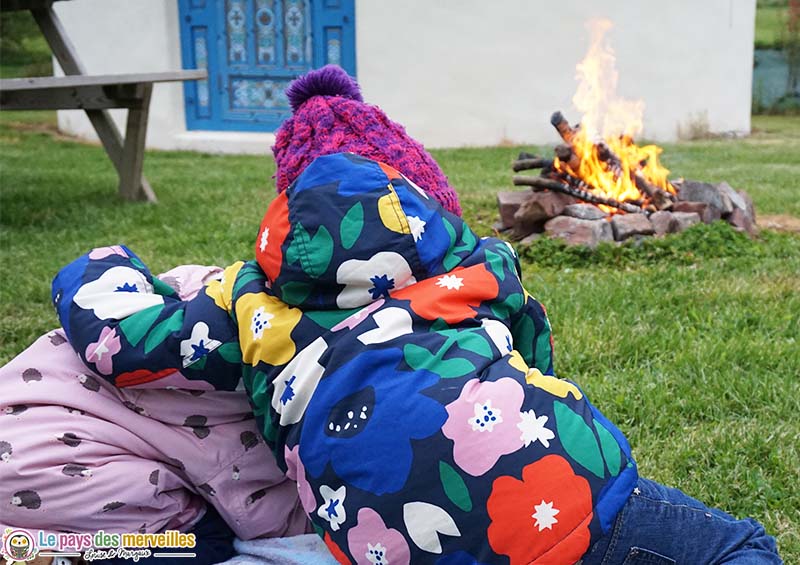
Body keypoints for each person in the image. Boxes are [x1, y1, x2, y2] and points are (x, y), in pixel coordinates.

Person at [52, 67, 781, 564]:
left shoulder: (248, 299)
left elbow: (118, 341)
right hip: (562, 487)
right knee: (740, 547)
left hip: (391, 539)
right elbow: (533, 344)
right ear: (422, 195)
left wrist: (99, 267)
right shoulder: (474, 258)